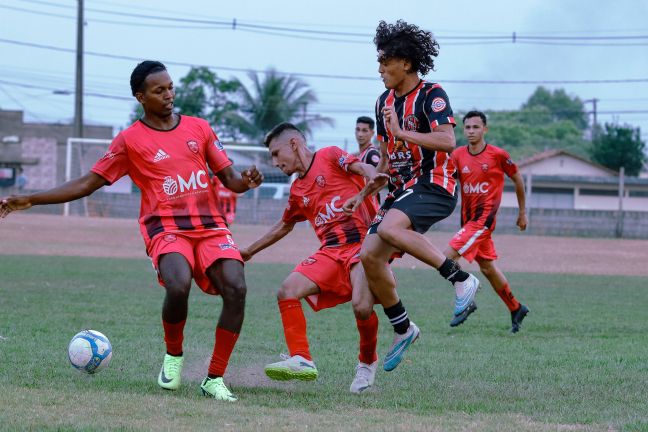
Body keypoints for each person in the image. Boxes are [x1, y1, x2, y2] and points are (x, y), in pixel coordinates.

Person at [0, 61, 264, 402]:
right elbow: (87, 183)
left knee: (237, 287)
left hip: (211, 227)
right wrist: (31, 199)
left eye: (170, 87)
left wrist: (247, 181)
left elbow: (232, 180)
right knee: (178, 284)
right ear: (141, 97)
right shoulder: (130, 140)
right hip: (166, 228)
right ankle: (173, 356)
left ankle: (213, 378)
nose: (168, 95)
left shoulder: (200, 127)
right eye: (159, 90)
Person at [358, 20, 480, 372]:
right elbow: (385, 152)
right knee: (369, 256)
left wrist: (403, 133)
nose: (380, 69)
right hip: (402, 188)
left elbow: (447, 141)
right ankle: (403, 327)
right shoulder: (383, 100)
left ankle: (461, 280)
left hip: (435, 182)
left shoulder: (432, 94)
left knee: (390, 231)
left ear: (406, 63)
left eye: (386, 61)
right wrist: (374, 179)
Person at [239, 122, 387, 394]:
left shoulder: (330, 155)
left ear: (294, 144)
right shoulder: (297, 191)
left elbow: (361, 168)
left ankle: (366, 363)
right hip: (330, 252)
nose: (274, 162)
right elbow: (284, 226)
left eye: (275, 153)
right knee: (287, 291)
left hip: (363, 244)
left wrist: (372, 175)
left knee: (362, 307)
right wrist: (249, 251)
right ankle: (302, 358)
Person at [446, 110, 529, 332]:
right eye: (468, 127)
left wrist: (522, 212)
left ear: (485, 129)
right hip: (468, 222)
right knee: (488, 267)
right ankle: (516, 307)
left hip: (483, 222)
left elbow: (517, 178)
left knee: (446, 257)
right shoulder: (457, 155)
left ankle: (466, 300)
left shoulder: (498, 155)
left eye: (476, 127)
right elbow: (448, 182)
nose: (471, 131)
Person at [355, 116, 382, 204]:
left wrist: (366, 196)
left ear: (372, 133)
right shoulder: (360, 155)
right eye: (358, 129)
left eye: (364, 130)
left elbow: (382, 180)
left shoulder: (372, 154)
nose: (360, 134)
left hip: (370, 206)